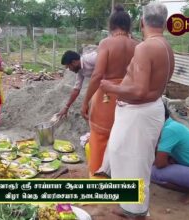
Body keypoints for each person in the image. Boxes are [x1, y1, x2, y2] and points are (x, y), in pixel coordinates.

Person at [98, 2, 174, 219]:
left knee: (134, 161)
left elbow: (140, 91)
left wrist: (112, 87)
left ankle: (136, 210)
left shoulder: (145, 47)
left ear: (142, 22)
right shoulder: (165, 46)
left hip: (139, 112)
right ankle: (130, 206)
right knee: (123, 155)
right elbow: (151, 86)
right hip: (149, 109)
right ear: (165, 24)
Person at [81, 5, 138, 179]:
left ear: (111, 25)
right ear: (129, 26)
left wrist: (85, 101)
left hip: (107, 95)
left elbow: (98, 74)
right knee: (123, 138)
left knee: (100, 136)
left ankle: (99, 177)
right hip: (129, 95)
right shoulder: (138, 45)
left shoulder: (106, 43)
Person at [57, 50, 97, 118]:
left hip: (114, 81)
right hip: (102, 84)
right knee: (87, 110)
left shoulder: (92, 58)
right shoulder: (79, 71)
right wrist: (66, 107)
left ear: (74, 62)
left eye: (69, 67)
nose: (69, 70)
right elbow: (76, 89)